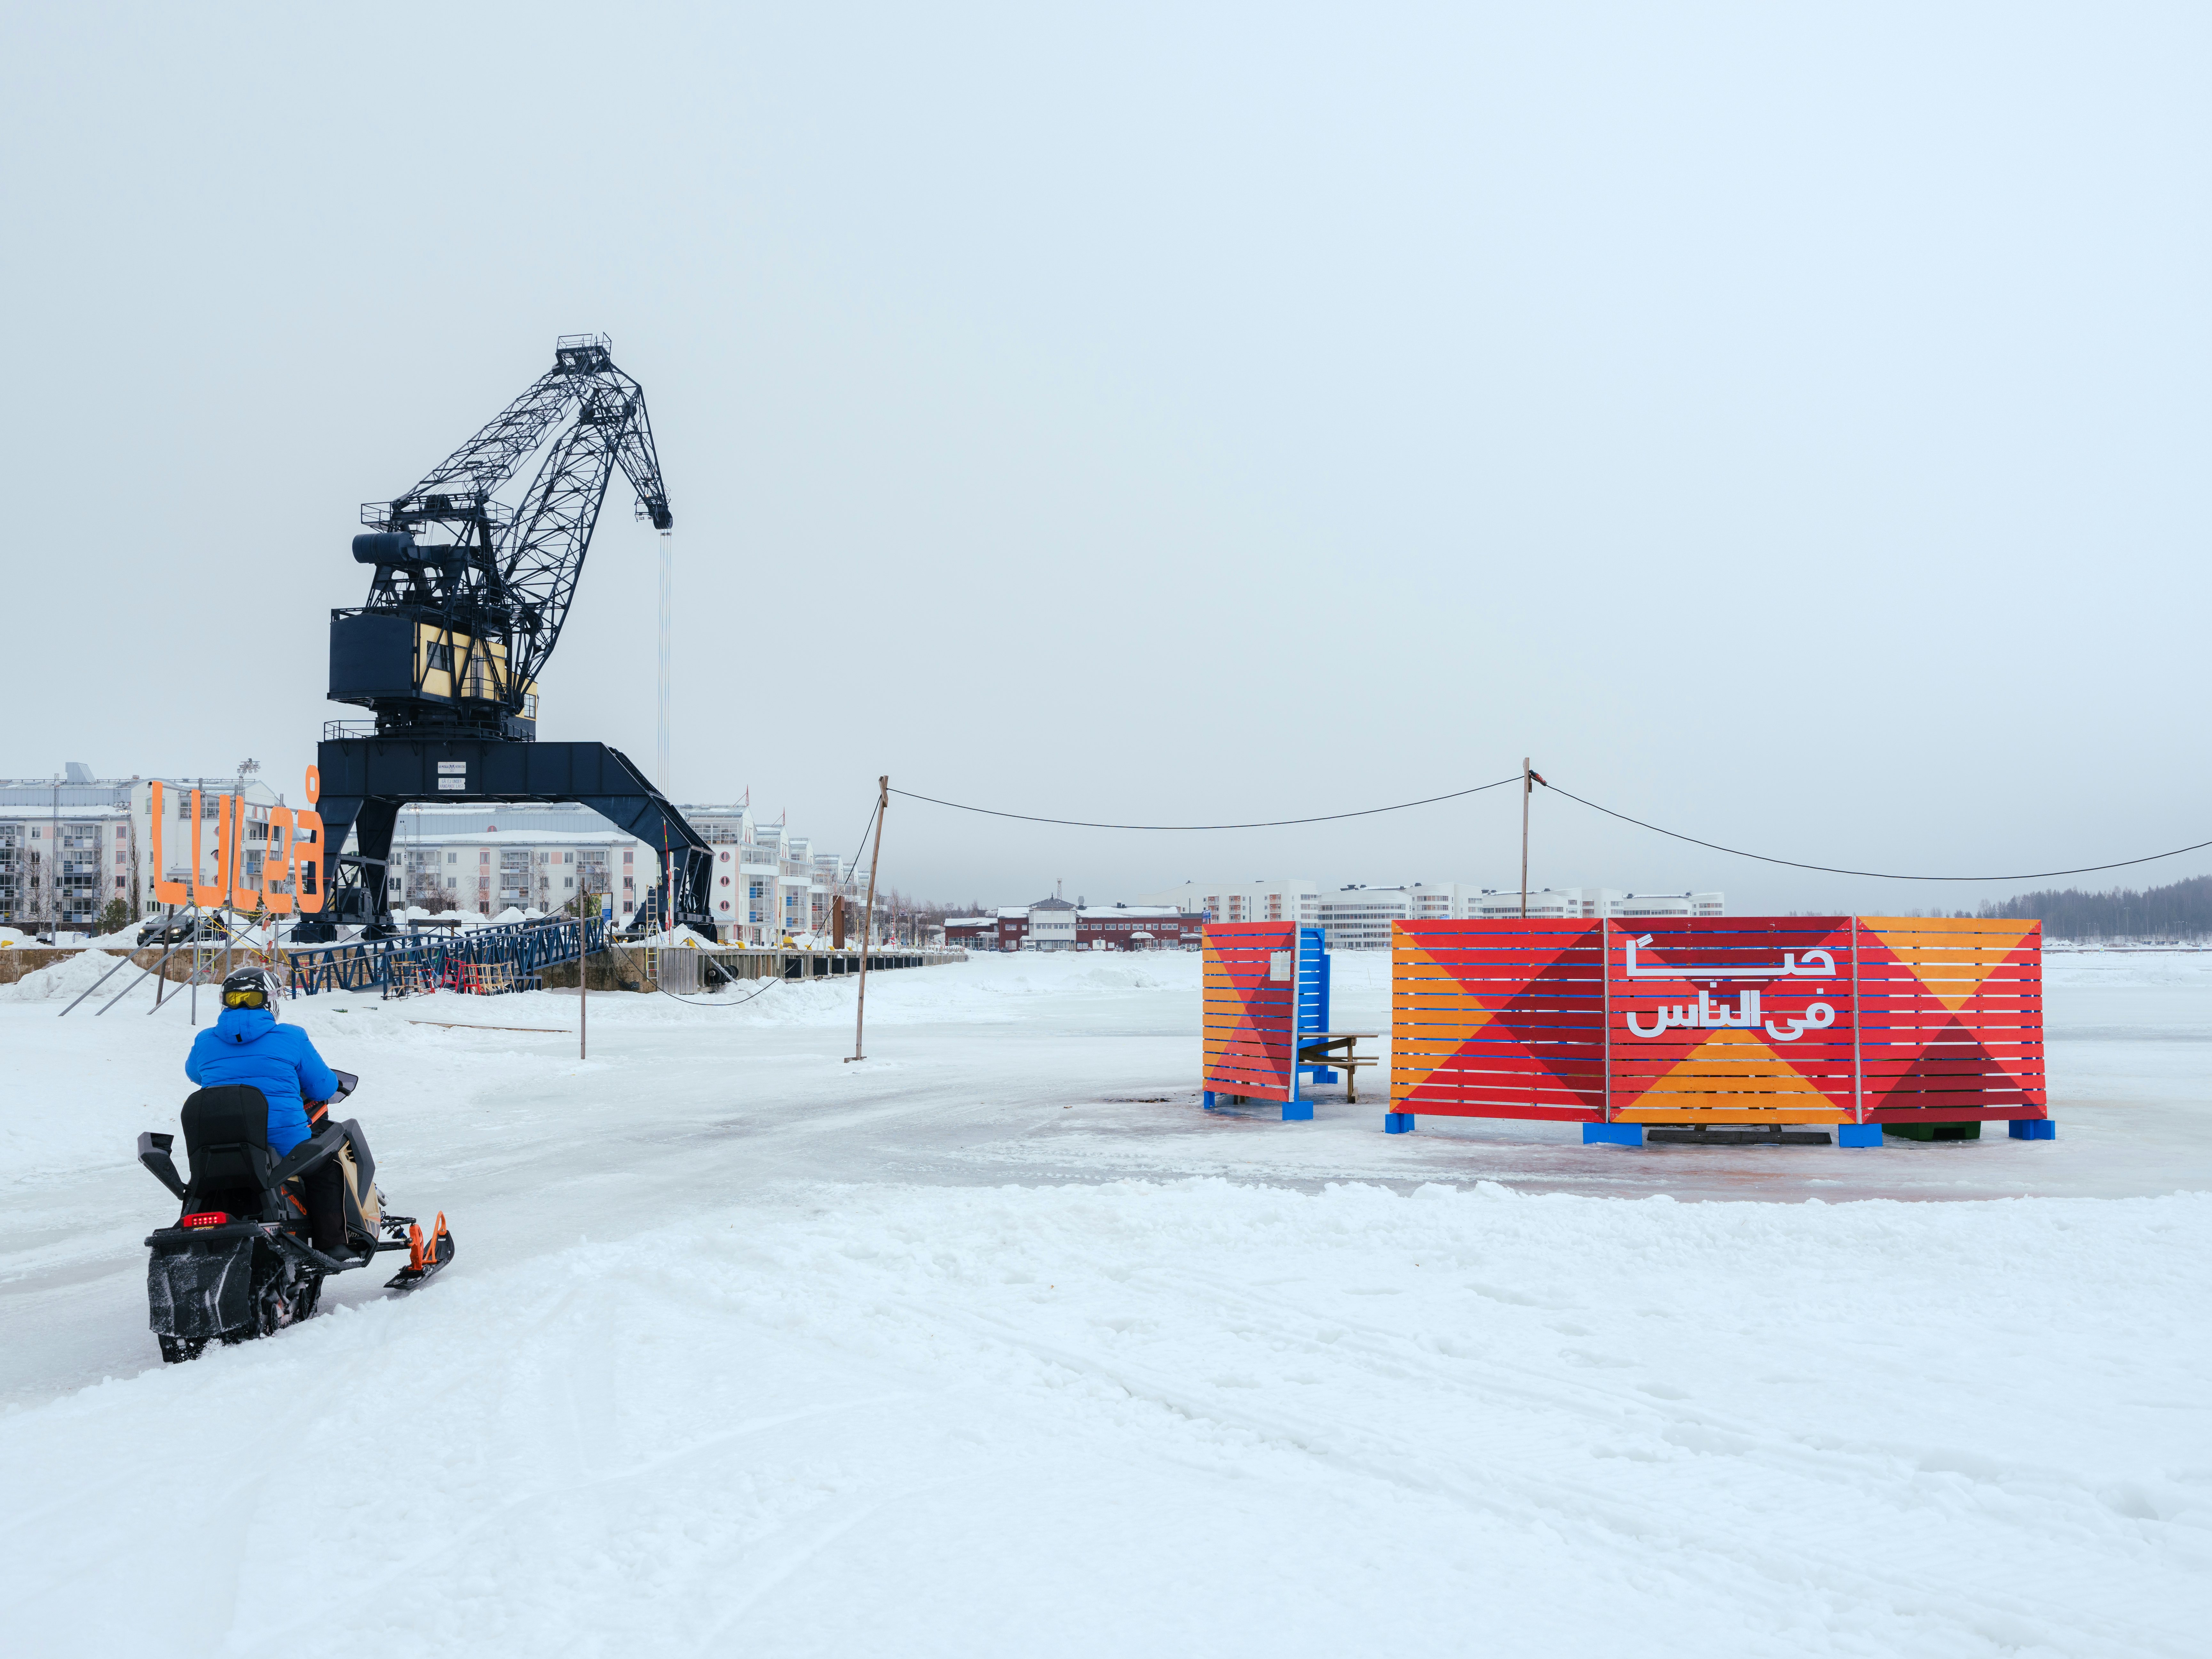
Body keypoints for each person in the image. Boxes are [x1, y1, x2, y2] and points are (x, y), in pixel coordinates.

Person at [186, 966, 349, 1256]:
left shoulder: (205, 1040)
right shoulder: (291, 1037)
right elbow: (325, 1089)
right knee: (326, 1167)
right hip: (284, 1144)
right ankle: (333, 1243)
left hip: (218, 1147)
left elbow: (195, 1075)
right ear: (271, 1001)